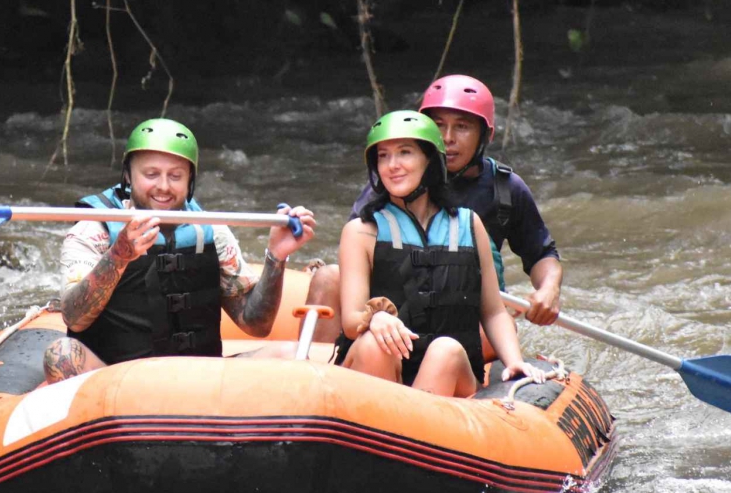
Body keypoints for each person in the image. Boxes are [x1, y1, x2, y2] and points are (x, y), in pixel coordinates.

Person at [42, 118, 315, 382]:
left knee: (291, 354)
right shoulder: (94, 230)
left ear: (190, 180)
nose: (163, 186)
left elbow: (256, 324)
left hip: (200, 377)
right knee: (61, 356)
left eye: (175, 176)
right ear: (128, 174)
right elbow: (74, 319)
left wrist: (276, 257)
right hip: (118, 381)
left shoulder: (210, 231)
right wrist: (118, 256)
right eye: (151, 174)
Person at [307, 73, 562, 345]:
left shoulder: (505, 189)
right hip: (395, 305)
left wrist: (549, 288)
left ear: (485, 135)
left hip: (464, 308)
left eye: (462, 127)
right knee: (329, 277)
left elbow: (541, 254)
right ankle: (323, 376)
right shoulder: (393, 183)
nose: (448, 138)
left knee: (484, 334)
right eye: (438, 125)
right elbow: (359, 258)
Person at [336, 110, 531, 397]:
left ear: (430, 161)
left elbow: (492, 312)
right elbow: (352, 320)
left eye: (405, 153)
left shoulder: (469, 224)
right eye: (383, 156)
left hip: (450, 375)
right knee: (372, 343)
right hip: (386, 372)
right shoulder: (361, 231)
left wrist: (515, 363)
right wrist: (374, 318)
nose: (393, 165)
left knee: (446, 350)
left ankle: (418, 428)